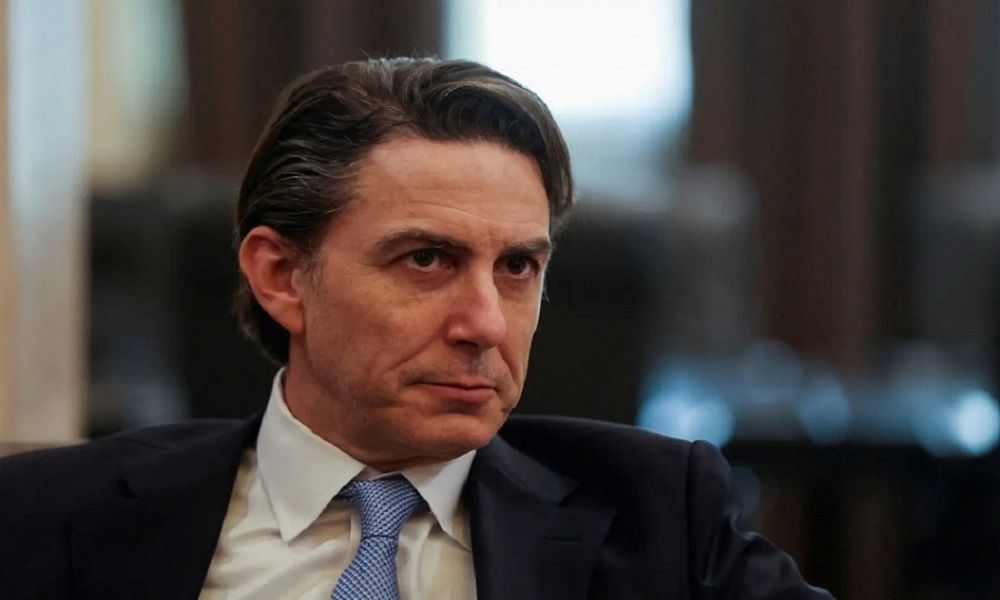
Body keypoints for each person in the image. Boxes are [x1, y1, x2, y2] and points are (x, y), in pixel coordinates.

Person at [0, 57, 833, 599]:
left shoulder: (661, 518)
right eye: (426, 260)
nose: (485, 323)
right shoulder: (48, 515)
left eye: (518, 267)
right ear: (281, 276)